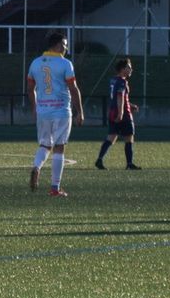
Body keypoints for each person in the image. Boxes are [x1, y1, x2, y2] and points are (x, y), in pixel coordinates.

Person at [25, 30, 83, 197]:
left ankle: (37, 167)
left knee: (45, 145)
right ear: (57, 45)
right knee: (59, 147)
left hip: (43, 111)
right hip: (61, 111)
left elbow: (30, 89)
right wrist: (80, 112)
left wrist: (35, 108)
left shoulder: (35, 63)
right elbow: (73, 89)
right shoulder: (65, 64)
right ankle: (55, 188)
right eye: (64, 46)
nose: (66, 49)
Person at [95, 56, 140, 170]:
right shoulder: (122, 82)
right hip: (123, 115)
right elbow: (120, 97)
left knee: (111, 137)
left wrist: (130, 105)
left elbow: (118, 98)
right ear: (122, 69)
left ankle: (99, 159)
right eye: (129, 67)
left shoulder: (113, 80)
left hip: (112, 112)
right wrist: (121, 113)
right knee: (129, 138)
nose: (131, 70)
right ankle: (129, 163)